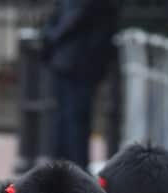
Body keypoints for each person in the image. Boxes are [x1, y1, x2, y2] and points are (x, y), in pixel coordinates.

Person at [42, 0, 119, 169]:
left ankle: (73, 171)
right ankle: (61, 168)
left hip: (79, 61)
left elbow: (74, 17)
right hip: (69, 60)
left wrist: (52, 37)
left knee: (74, 121)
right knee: (64, 120)